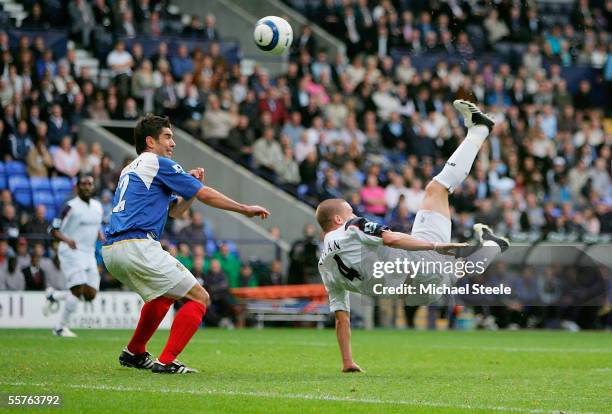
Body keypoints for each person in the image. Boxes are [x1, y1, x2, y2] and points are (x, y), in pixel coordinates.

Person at [315, 101, 509, 372]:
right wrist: (436, 245)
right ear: (338, 219)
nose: (353, 212)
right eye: (349, 210)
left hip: (414, 293)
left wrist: (347, 361)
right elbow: (392, 238)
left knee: (453, 272)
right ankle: (479, 130)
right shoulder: (350, 228)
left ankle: (493, 247)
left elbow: (341, 318)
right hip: (417, 266)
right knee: (436, 188)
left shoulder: (325, 266)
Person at [101, 115, 269, 374]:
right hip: (137, 244)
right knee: (200, 297)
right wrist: (244, 208)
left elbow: (175, 213)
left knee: (165, 294)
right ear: (150, 141)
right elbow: (205, 195)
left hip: (114, 249)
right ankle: (166, 361)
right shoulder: (157, 162)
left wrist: (191, 189)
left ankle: (134, 351)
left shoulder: (131, 168)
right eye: (167, 136)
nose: (173, 143)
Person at [44, 175, 104, 337]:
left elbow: (95, 225)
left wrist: (100, 235)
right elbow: (53, 229)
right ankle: (60, 327)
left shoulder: (98, 206)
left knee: (90, 295)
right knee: (77, 289)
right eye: (83, 184)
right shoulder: (69, 207)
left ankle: (54, 295)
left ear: (93, 187)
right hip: (71, 252)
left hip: (89, 253)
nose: (87, 186)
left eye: (90, 184)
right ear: (77, 187)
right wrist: (67, 240)